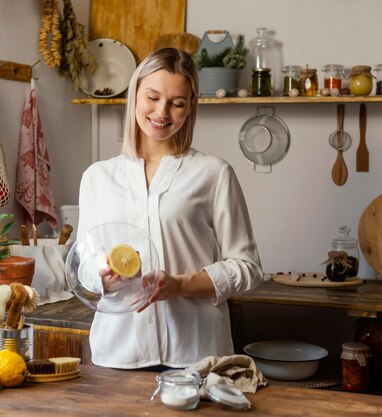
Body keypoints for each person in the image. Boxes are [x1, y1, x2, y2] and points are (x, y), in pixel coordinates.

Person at [76, 48, 262, 370]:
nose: (162, 112)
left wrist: (180, 285)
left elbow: (247, 268)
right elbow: (85, 265)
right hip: (118, 355)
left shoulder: (213, 173)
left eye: (176, 103)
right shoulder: (97, 177)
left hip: (195, 356)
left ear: (190, 107)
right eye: (152, 97)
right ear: (134, 94)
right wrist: (103, 276)